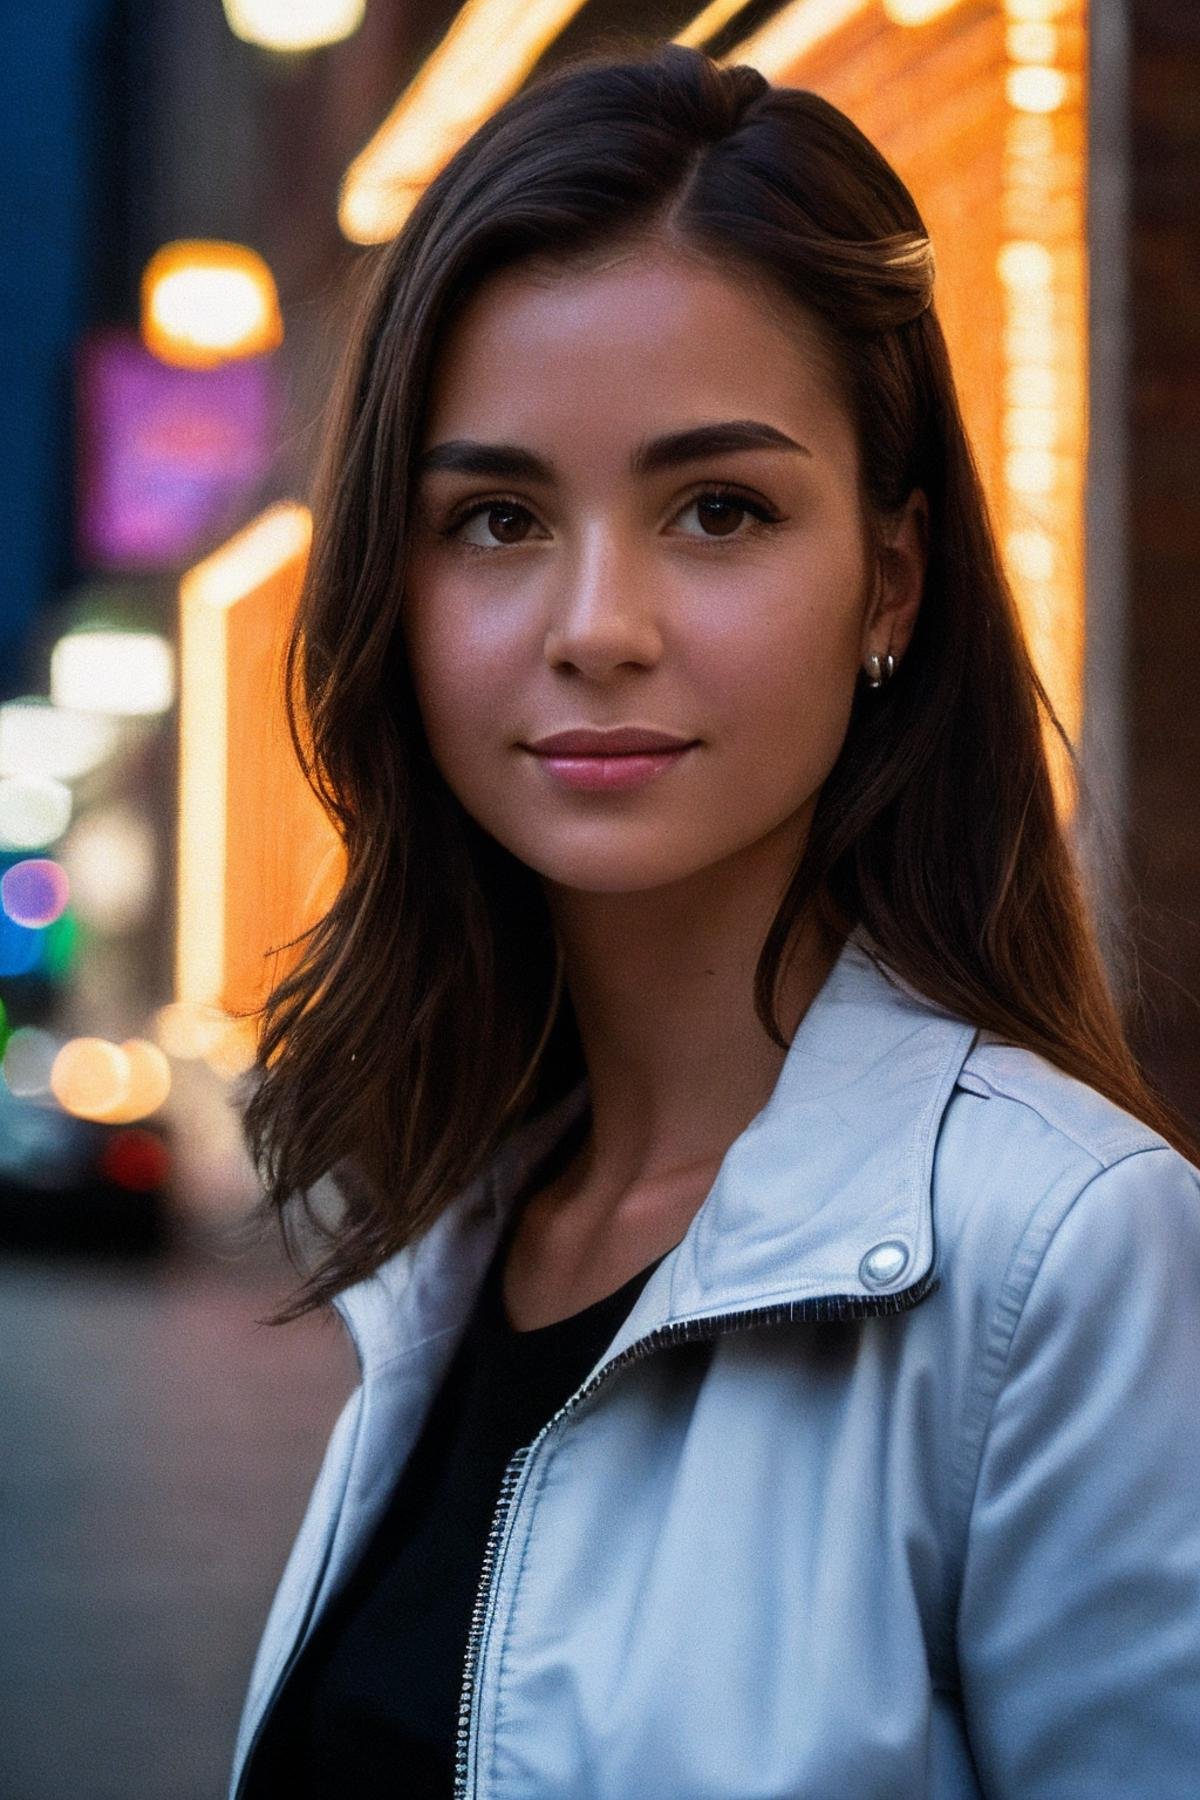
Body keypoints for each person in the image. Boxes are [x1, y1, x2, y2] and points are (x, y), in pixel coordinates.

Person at [226, 40, 1200, 1800]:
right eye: (500, 516)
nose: (598, 624)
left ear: (888, 579)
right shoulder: (453, 1216)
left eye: (719, 509)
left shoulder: (1070, 1258)